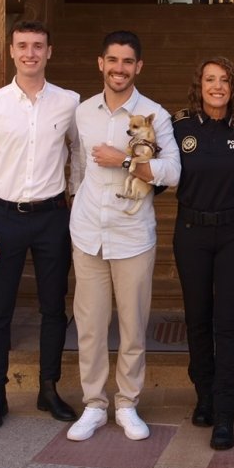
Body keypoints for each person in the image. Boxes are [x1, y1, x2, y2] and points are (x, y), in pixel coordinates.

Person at [0, 20, 79, 432]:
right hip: (4, 218)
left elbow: (80, 155)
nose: (30, 53)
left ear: (49, 52)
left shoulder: (69, 103)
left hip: (52, 218)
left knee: (54, 307)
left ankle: (49, 388)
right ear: (11, 51)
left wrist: (76, 201)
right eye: (23, 46)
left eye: (38, 46)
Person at [67, 30, 181, 442]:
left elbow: (173, 171)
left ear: (139, 67)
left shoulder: (155, 115)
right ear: (101, 63)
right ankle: (94, 405)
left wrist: (126, 160)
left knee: (133, 326)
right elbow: (78, 165)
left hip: (132, 235)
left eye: (127, 61)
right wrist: (76, 202)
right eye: (112, 60)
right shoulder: (83, 112)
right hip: (88, 234)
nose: (119, 68)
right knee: (90, 326)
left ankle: (128, 403)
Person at [171, 57, 234, 450]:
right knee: (197, 319)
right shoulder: (179, 128)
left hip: (233, 235)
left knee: (228, 323)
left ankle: (226, 411)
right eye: (210, 79)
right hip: (191, 233)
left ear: (232, 87)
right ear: (199, 85)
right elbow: (157, 175)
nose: (217, 86)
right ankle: (205, 395)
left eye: (224, 80)